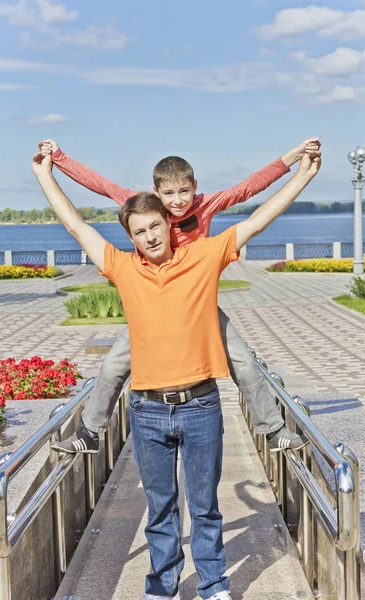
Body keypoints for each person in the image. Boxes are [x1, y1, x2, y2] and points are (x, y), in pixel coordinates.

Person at [32, 149, 321, 600]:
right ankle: (161, 588)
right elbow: (77, 223)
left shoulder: (204, 256)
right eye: (139, 230)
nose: (149, 235)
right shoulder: (124, 268)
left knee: (205, 509)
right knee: (160, 509)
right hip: (147, 410)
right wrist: (48, 171)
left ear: (169, 224)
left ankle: (213, 586)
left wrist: (300, 172)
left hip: (202, 406)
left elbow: (257, 214)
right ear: (131, 234)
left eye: (154, 226)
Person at [40, 137, 321, 455]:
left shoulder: (206, 205)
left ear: (195, 187)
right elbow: (99, 186)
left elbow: (249, 190)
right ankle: (90, 432)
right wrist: (59, 159)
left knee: (244, 360)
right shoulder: (143, 206)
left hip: (196, 305)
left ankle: (273, 430)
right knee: (112, 366)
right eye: (169, 194)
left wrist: (292, 160)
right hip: (152, 310)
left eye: (184, 192)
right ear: (156, 193)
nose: (177, 201)